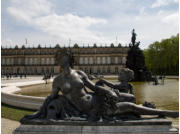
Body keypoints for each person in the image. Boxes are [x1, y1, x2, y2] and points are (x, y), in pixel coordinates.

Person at [21, 49, 178, 122]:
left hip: (95, 98)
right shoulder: (57, 80)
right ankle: (162, 112)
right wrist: (42, 111)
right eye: (59, 57)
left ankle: (160, 111)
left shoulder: (81, 73)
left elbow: (94, 87)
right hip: (90, 108)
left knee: (128, 97)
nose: (61, 59)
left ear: (69, 58)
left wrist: (106, 90)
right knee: (131, 107)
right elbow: (52, 98)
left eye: (64, 56)